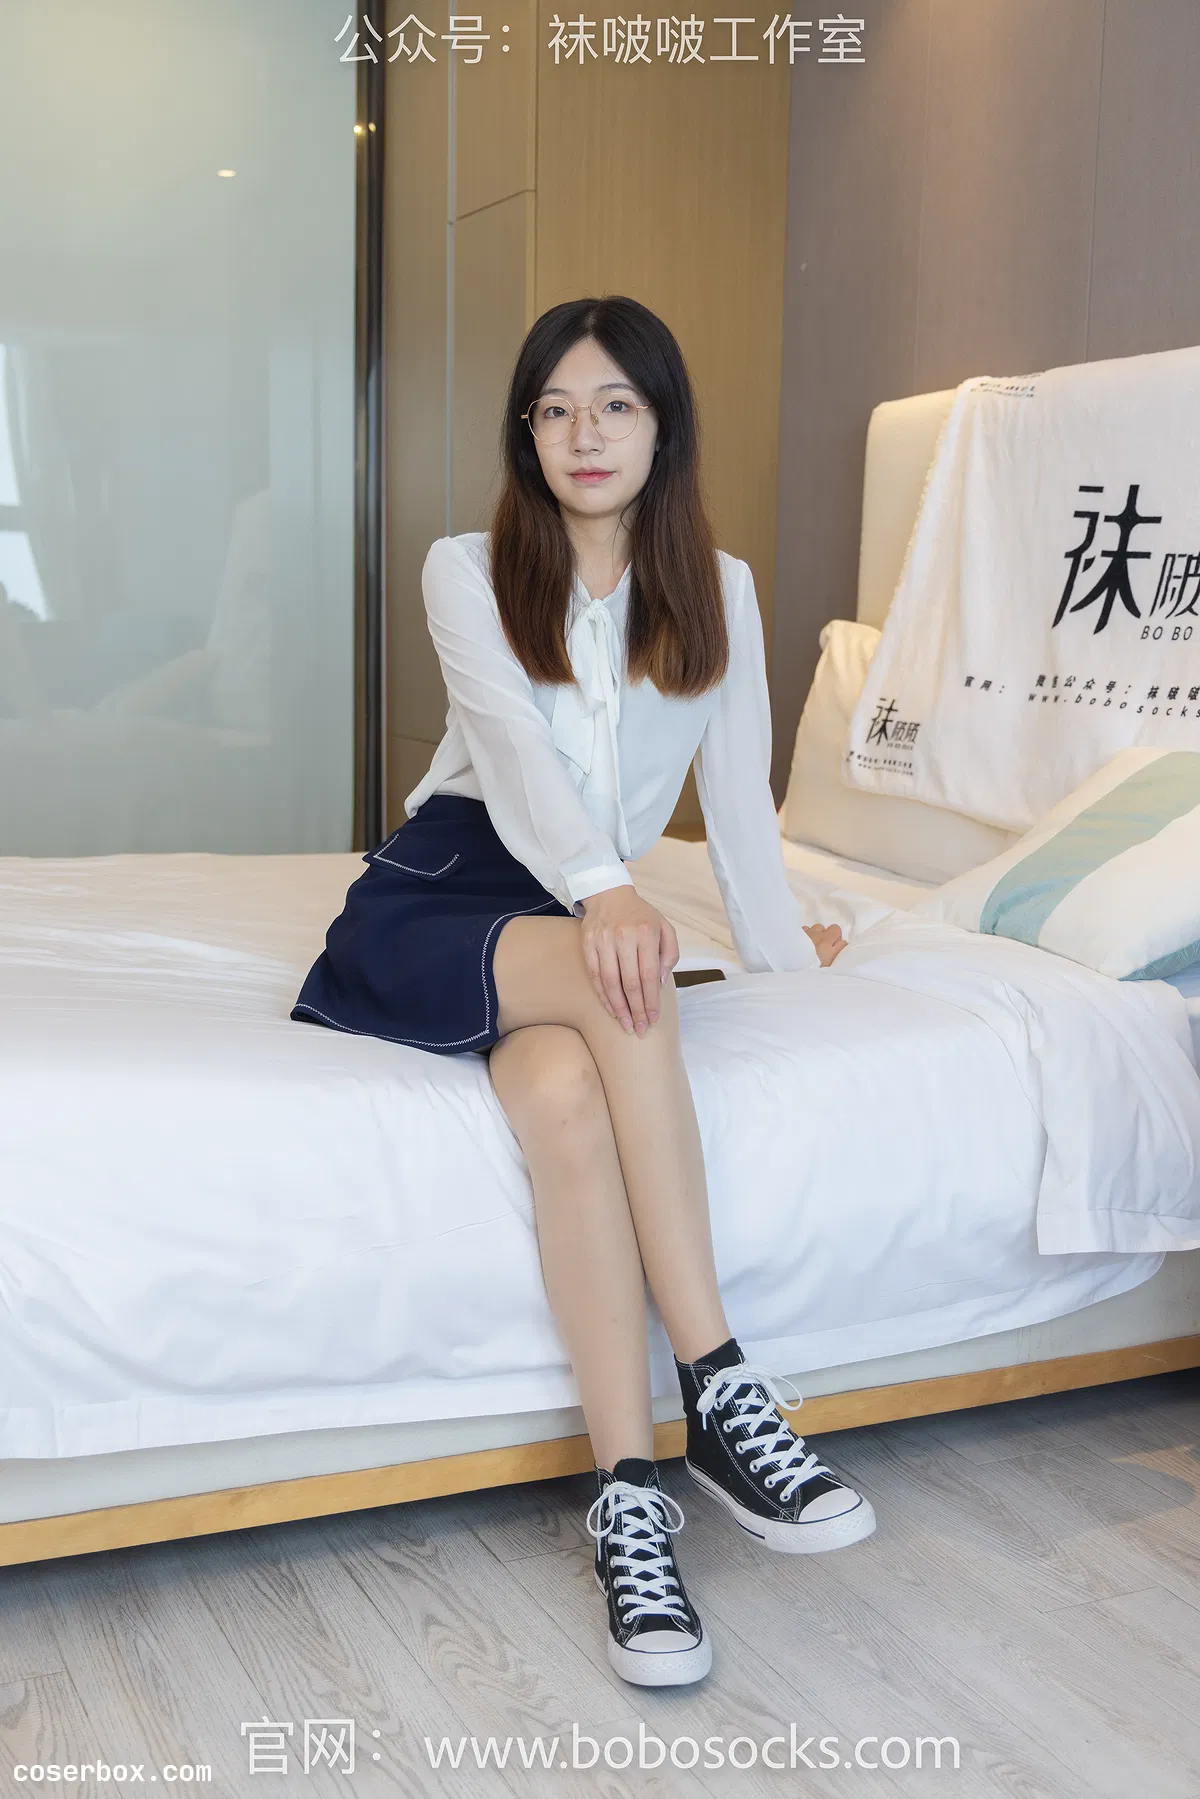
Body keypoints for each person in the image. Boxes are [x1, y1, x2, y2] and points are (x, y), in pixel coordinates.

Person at [292, 295, 876, 1689]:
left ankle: (629, 1493)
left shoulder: (719, 589)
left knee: (564, 1095)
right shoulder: (466, 568)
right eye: (553, 409)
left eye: (614, 404)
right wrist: (611, 894)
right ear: (528, 435)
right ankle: (722, 1377)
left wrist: (780, 945)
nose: (583, 434)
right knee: (633, 977)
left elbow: (737, 798)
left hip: (582, 905)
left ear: (663, 423)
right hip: (456, 886)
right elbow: (510, 753)